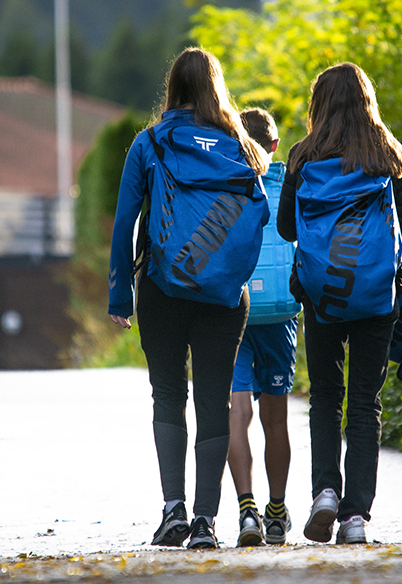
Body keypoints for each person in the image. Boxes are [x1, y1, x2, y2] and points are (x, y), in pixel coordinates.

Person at [108, 48, 270, 550]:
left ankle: (173, 510)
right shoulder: (242, 148)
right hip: (224, 293)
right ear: (216, 89)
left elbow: (123, 223)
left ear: (172, 87)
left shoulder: (150, 142)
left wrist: (119, 292)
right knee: (215, 399)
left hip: (162, 288)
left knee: (168, 395)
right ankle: (207, 521)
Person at [278, 63, 402, 544]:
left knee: (324, 396)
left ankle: (324, 490)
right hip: (377, 296)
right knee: (365, 404)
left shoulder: (303, 158)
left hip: (322, 296)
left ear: (318, 105)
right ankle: (355, 518)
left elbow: (286, 228)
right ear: (368, 101)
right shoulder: (389, 155)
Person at [227, 108, 300, 546]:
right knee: (276, 419)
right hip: (280, 313)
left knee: (238, 413)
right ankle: (277, 512)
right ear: (274, 146)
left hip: (235, 309)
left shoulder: (226, 184)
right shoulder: (288, 183)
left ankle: (247, 511)